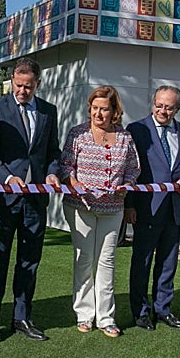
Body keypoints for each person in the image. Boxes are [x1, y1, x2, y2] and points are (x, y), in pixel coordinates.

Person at [0, 58, 61, 341]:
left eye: (28, 87)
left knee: (29, 261)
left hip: (35, 202)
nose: (22, 91)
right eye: (18, 85)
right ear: (12, 81)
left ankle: (22, 317)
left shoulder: (49, 112)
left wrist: (52, 174)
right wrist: (6, 178)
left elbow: (53, 152)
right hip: (5, 200)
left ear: (37, 84)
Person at [59, 85, 139, 337]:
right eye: (94, 109)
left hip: (113, 207)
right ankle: (84, 314)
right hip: (80, 207)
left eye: (104, 109)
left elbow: (133, 168)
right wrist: (74, 183)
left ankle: (106, 317)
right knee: (84, 260)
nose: (98, 114)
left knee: (107, 262)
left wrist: (127, 185)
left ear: (115, 111)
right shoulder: (78, 134)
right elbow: (65, 166)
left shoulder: (125, 137)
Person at [126, 85, 180, 331]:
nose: (163, 110)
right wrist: (129, 205)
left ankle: (163, 309)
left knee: (168, 263)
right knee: (142, 262)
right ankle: (140, 312)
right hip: (146, 209)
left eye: (169, 107)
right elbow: (128, 171)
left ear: (177, 109)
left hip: (174, 210)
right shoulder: (136, 130)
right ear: (153, 103)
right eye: (159, 105)